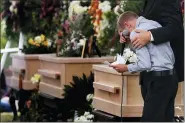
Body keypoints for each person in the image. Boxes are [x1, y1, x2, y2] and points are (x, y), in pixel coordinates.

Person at [111, 11, 178, 122]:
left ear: (127, 25)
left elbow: (145, 64)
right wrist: (128, 38)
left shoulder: (135, 33)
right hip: (171, 79)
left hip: (157, 82)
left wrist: (126, 67)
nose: (125, 36)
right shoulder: (154, 24)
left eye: (123, 32)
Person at [120, 0, 184, 83]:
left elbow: (176, 28)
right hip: (149, 74)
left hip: (165, 74)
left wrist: (149, 35)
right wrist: (129, 33)